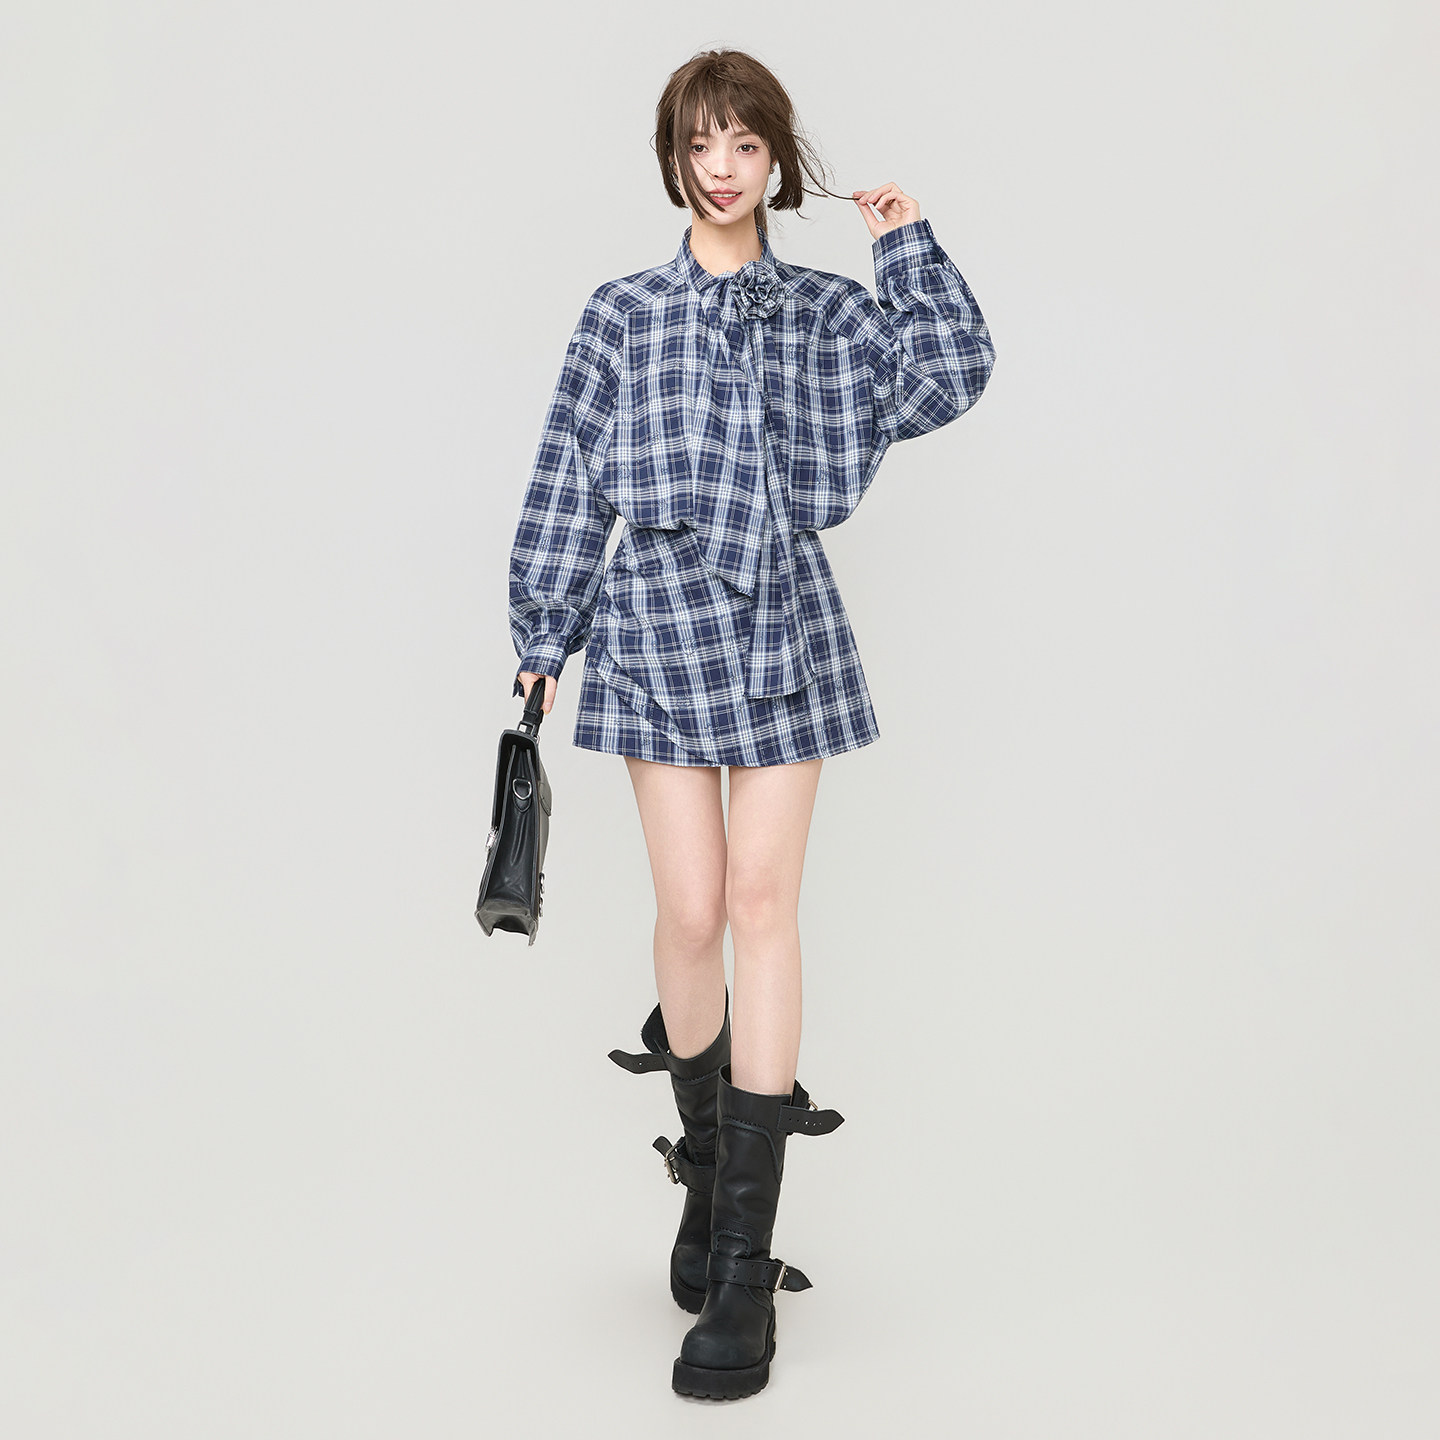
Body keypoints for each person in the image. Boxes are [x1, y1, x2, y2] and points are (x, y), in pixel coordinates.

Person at [506, 48, 996, 1399]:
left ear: (778, 160)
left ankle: (740, 1267)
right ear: (673, 159)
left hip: (784, 624)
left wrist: (908, 249)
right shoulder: (621, 315)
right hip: (656, 621)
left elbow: (950, 373)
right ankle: (706, 1168)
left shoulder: (827, 313)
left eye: (745, 144)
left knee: (763, 901)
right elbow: (567, 474)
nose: (721, 168)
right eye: (700, 144)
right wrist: (543, 642)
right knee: (691, 910)